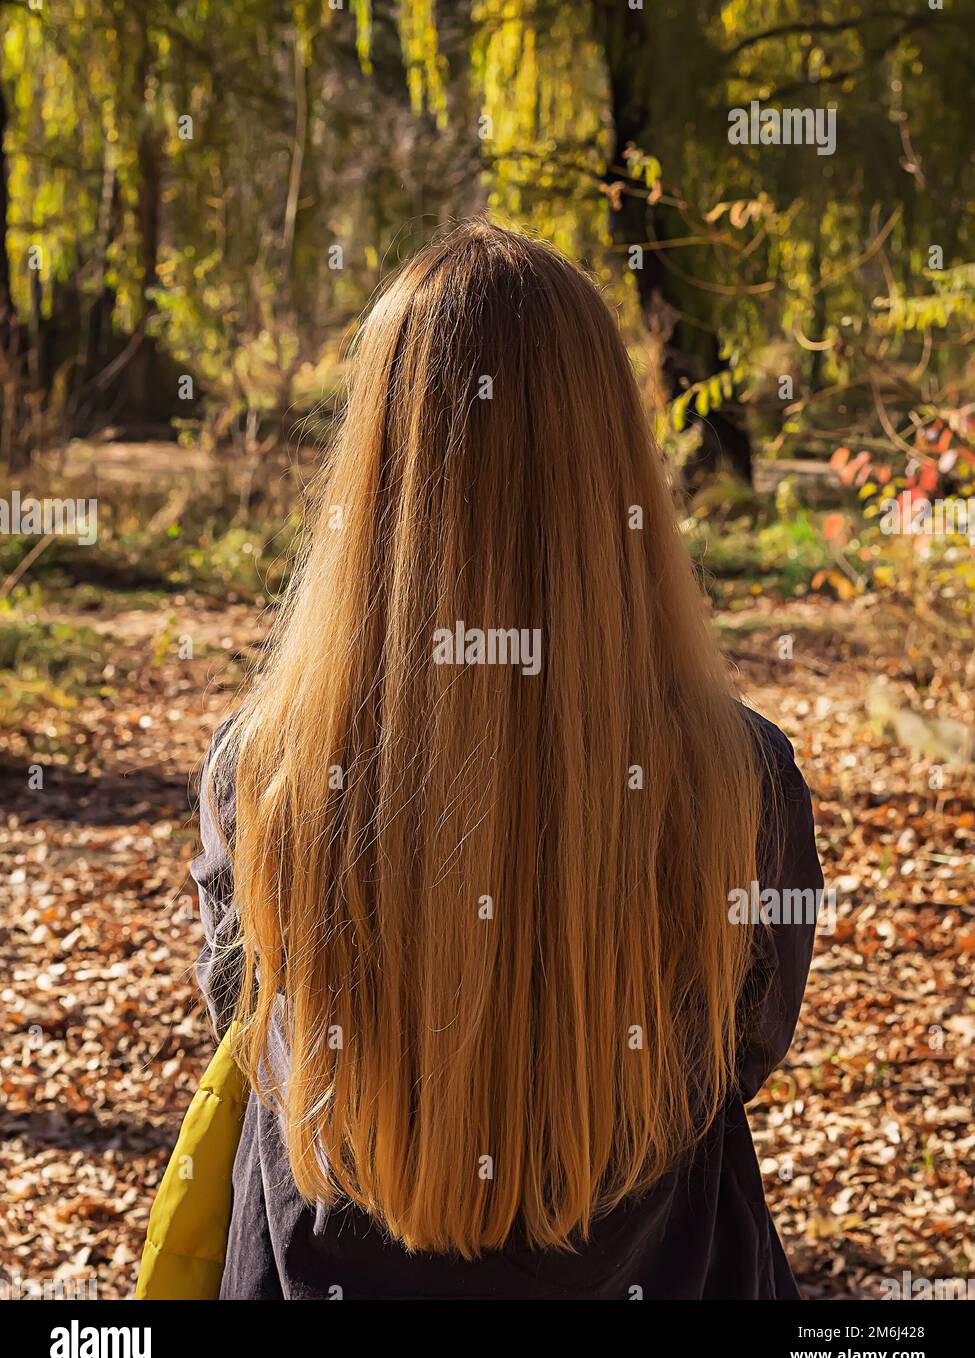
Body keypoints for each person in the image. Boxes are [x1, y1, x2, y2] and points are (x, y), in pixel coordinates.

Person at [191, 220, 823, 1300]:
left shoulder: (268, 776)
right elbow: (740, 1055)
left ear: (377, 469)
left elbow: (253, 1029)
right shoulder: (741, 781)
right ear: (613, 467)